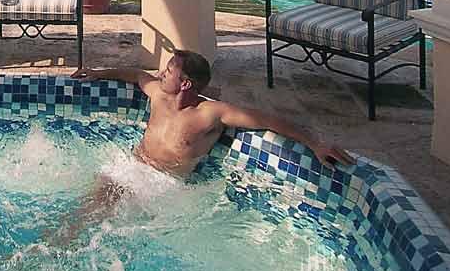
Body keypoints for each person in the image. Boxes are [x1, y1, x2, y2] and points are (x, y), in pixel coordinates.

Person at [44, 51, 355, 245]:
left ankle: (61, 249)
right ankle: (59, 242)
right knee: (87, 209)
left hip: (162, 184)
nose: (162, 73)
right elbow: (136, 75)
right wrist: (99, 74)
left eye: (169, 70)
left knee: (102, 214)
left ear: (186, 83)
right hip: (131, 166)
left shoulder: (211, 114)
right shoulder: (157, 95)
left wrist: (314, 143)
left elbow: (268, 119)